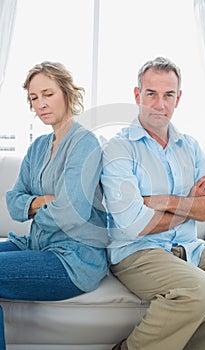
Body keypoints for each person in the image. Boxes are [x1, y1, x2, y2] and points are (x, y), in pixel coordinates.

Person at [101, 56, 205, 350]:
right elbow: (135, 224)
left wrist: (165, 202)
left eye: (168, 95)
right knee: (201, 290)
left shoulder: (189, 147)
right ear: (137, 95)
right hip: (136, 252)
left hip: (191, 248)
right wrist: (191, 205)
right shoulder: (118, 149)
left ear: (179, 98)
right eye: (151, 93)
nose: (159, 104)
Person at [1, 61, 108, 349]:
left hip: (74, 257)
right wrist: (44, 201)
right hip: (37, 244)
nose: (40, 104)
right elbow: (12, 202)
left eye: (47, 94)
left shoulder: (85, 143)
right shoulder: (37, 147)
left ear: (66, 93)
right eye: (34, 98)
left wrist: (33, 207)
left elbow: (72, 213)